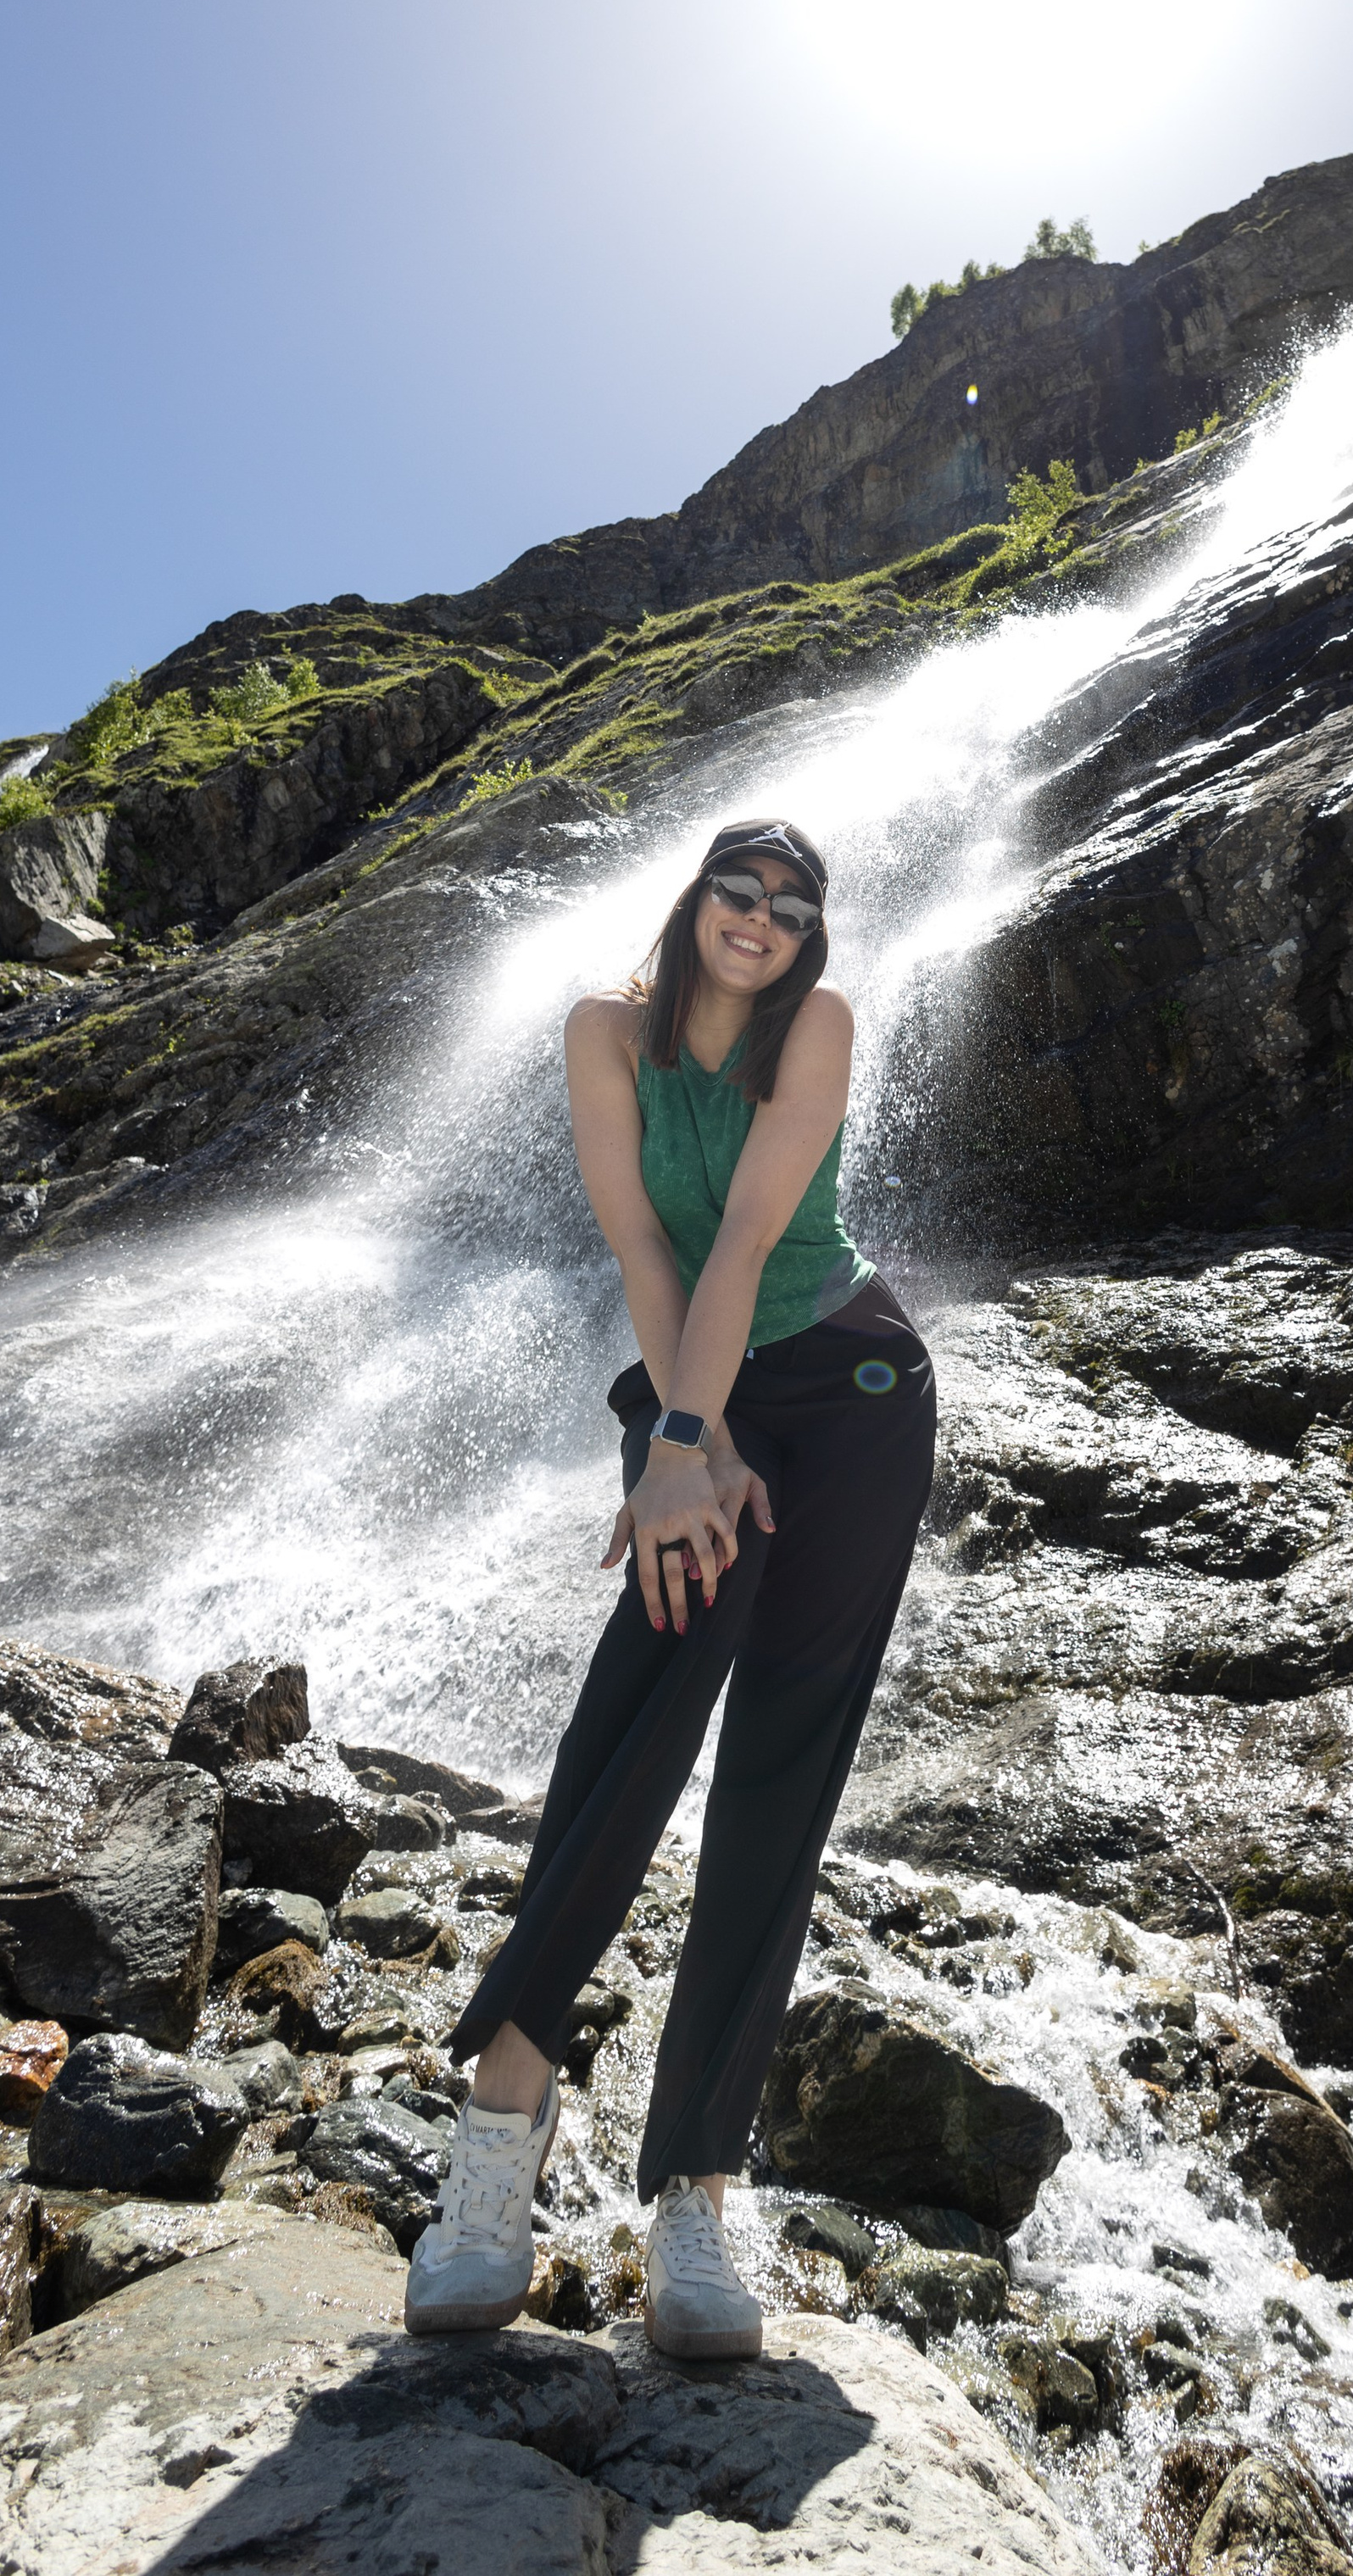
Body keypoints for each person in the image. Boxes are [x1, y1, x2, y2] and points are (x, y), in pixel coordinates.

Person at [404, 816, 937, 2356]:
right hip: (700, 1391)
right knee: (632, 1717)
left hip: (849, 1389)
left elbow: (759, 1234)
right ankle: (499, 2137)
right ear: (694, 898)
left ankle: (698, 2192)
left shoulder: (817, 1026)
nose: (760, 918)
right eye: (737, 888)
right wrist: (676, 1447)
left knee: (781, 1766)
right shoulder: (601, 1033)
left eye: (790, 903)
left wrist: (693, 1433)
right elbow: (644, 1236)